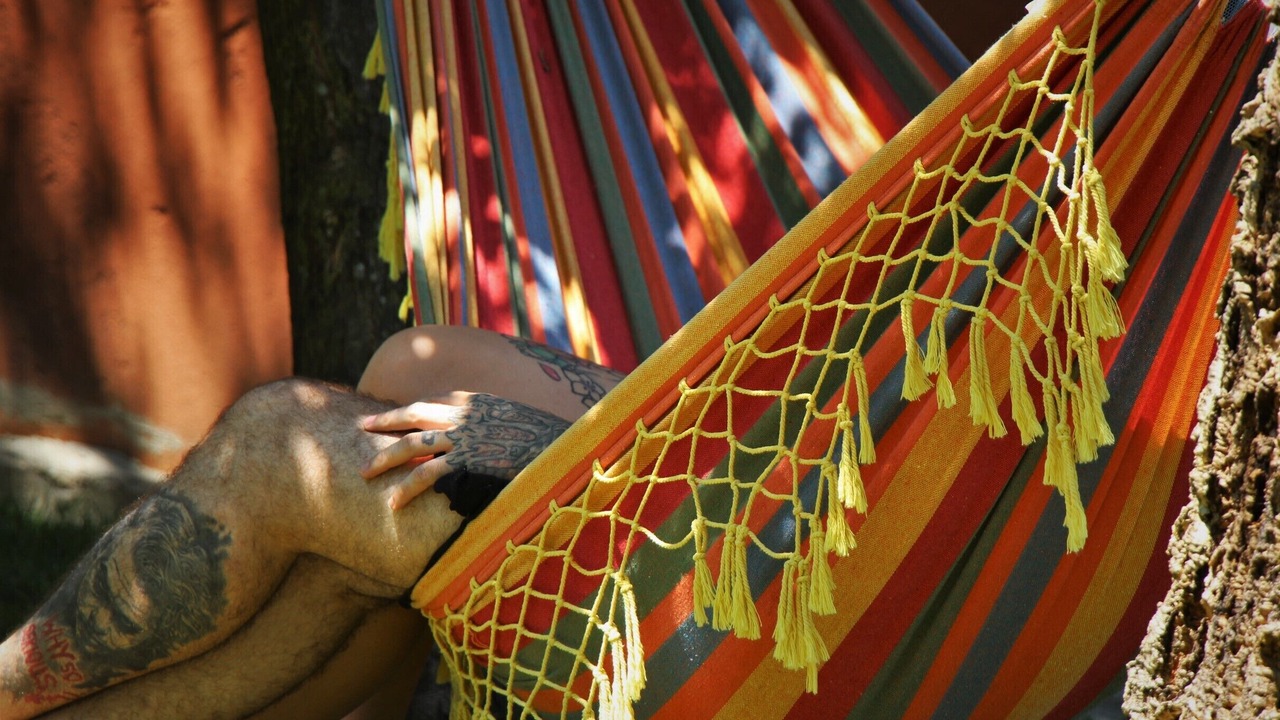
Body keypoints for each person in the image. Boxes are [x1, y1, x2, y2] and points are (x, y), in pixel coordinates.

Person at [0, 325, 625, 719]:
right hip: (687, 410)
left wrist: (547, 447)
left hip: (681, 516)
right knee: (412, 372)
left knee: (277, 447)